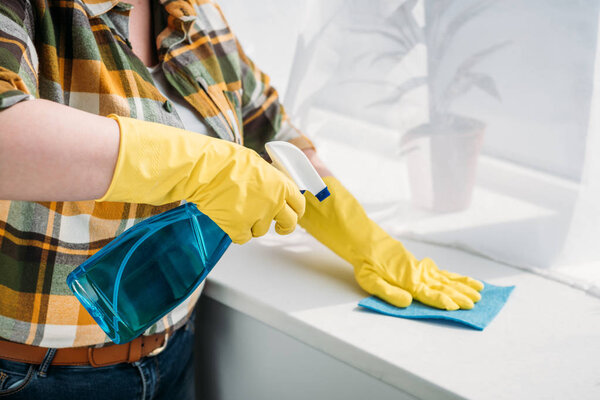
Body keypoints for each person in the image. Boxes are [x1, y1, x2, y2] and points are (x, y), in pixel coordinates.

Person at [0, 0, 484, 398]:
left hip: (175, 355)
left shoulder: (193, 13)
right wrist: (200, 166)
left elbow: (270, 131)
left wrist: (367, 241)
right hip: (36, 379)